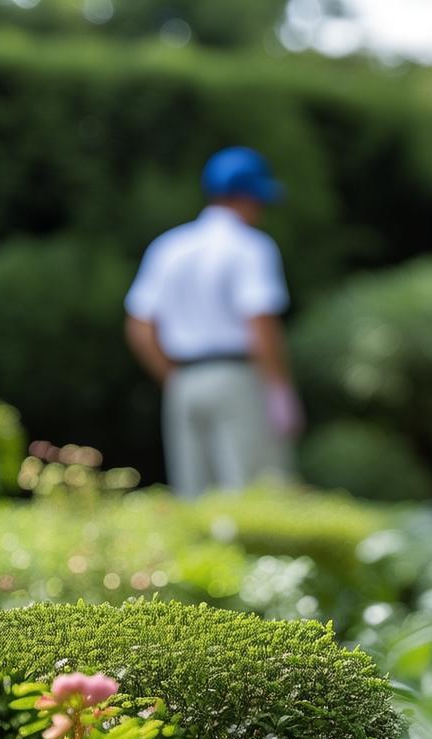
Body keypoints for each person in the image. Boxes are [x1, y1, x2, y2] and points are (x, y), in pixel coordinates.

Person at [124, 146, 303, 497]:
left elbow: (139, 327)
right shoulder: (251, 247)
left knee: (195, 497)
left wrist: (173, 377)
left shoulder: (169, 247)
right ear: (250, 197)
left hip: (184, 380)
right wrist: (279, 388)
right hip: (238, 377)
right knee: (255, 494)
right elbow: (261, 324)